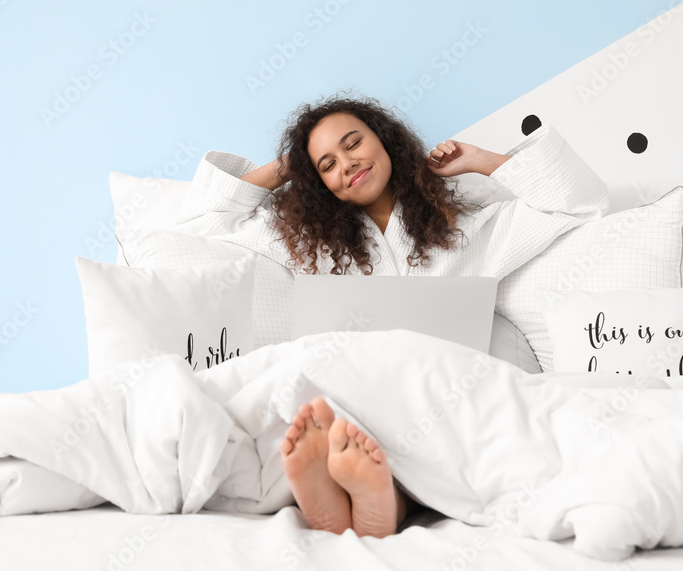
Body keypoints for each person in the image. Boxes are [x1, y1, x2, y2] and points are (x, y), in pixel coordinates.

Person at [175, 92, 610, 538]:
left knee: (443, 430)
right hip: (357, 403)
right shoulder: (309, 244)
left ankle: (376, 501)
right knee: (322, 409)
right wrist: (290, 168)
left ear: (385, 140)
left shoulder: (466, 226)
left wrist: (479, 159)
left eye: (352, 144)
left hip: (445, 400)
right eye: (326, 165)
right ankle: (374, 496)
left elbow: (579, 201)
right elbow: (201, 226)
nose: (345, 164)